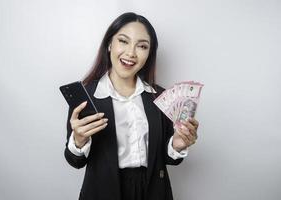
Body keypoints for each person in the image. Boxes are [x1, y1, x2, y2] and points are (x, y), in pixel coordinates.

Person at [64, 12, 199, 200]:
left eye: (142, 46)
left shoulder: (161, 97)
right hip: (103, 192)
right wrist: (78, 140)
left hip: (153, 192)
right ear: (110, 44)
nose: (131, 53)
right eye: (123, 41)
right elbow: (75, 161)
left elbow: (168, 159)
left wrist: (176, 145)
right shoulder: (87, 96)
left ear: (149, 53)